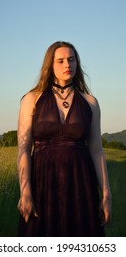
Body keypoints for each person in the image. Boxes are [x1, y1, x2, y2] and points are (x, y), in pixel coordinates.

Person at [17, 41, 112, 237]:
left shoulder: (90, 102)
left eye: (71, 59)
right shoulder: (32, 99)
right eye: (60, 61)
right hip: (42, 183)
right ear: (49, 65)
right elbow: (24, 149)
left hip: (81, 183)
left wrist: (106, 195)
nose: (67, 65)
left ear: (77, 63)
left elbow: (96, 150)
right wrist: (25, 191)